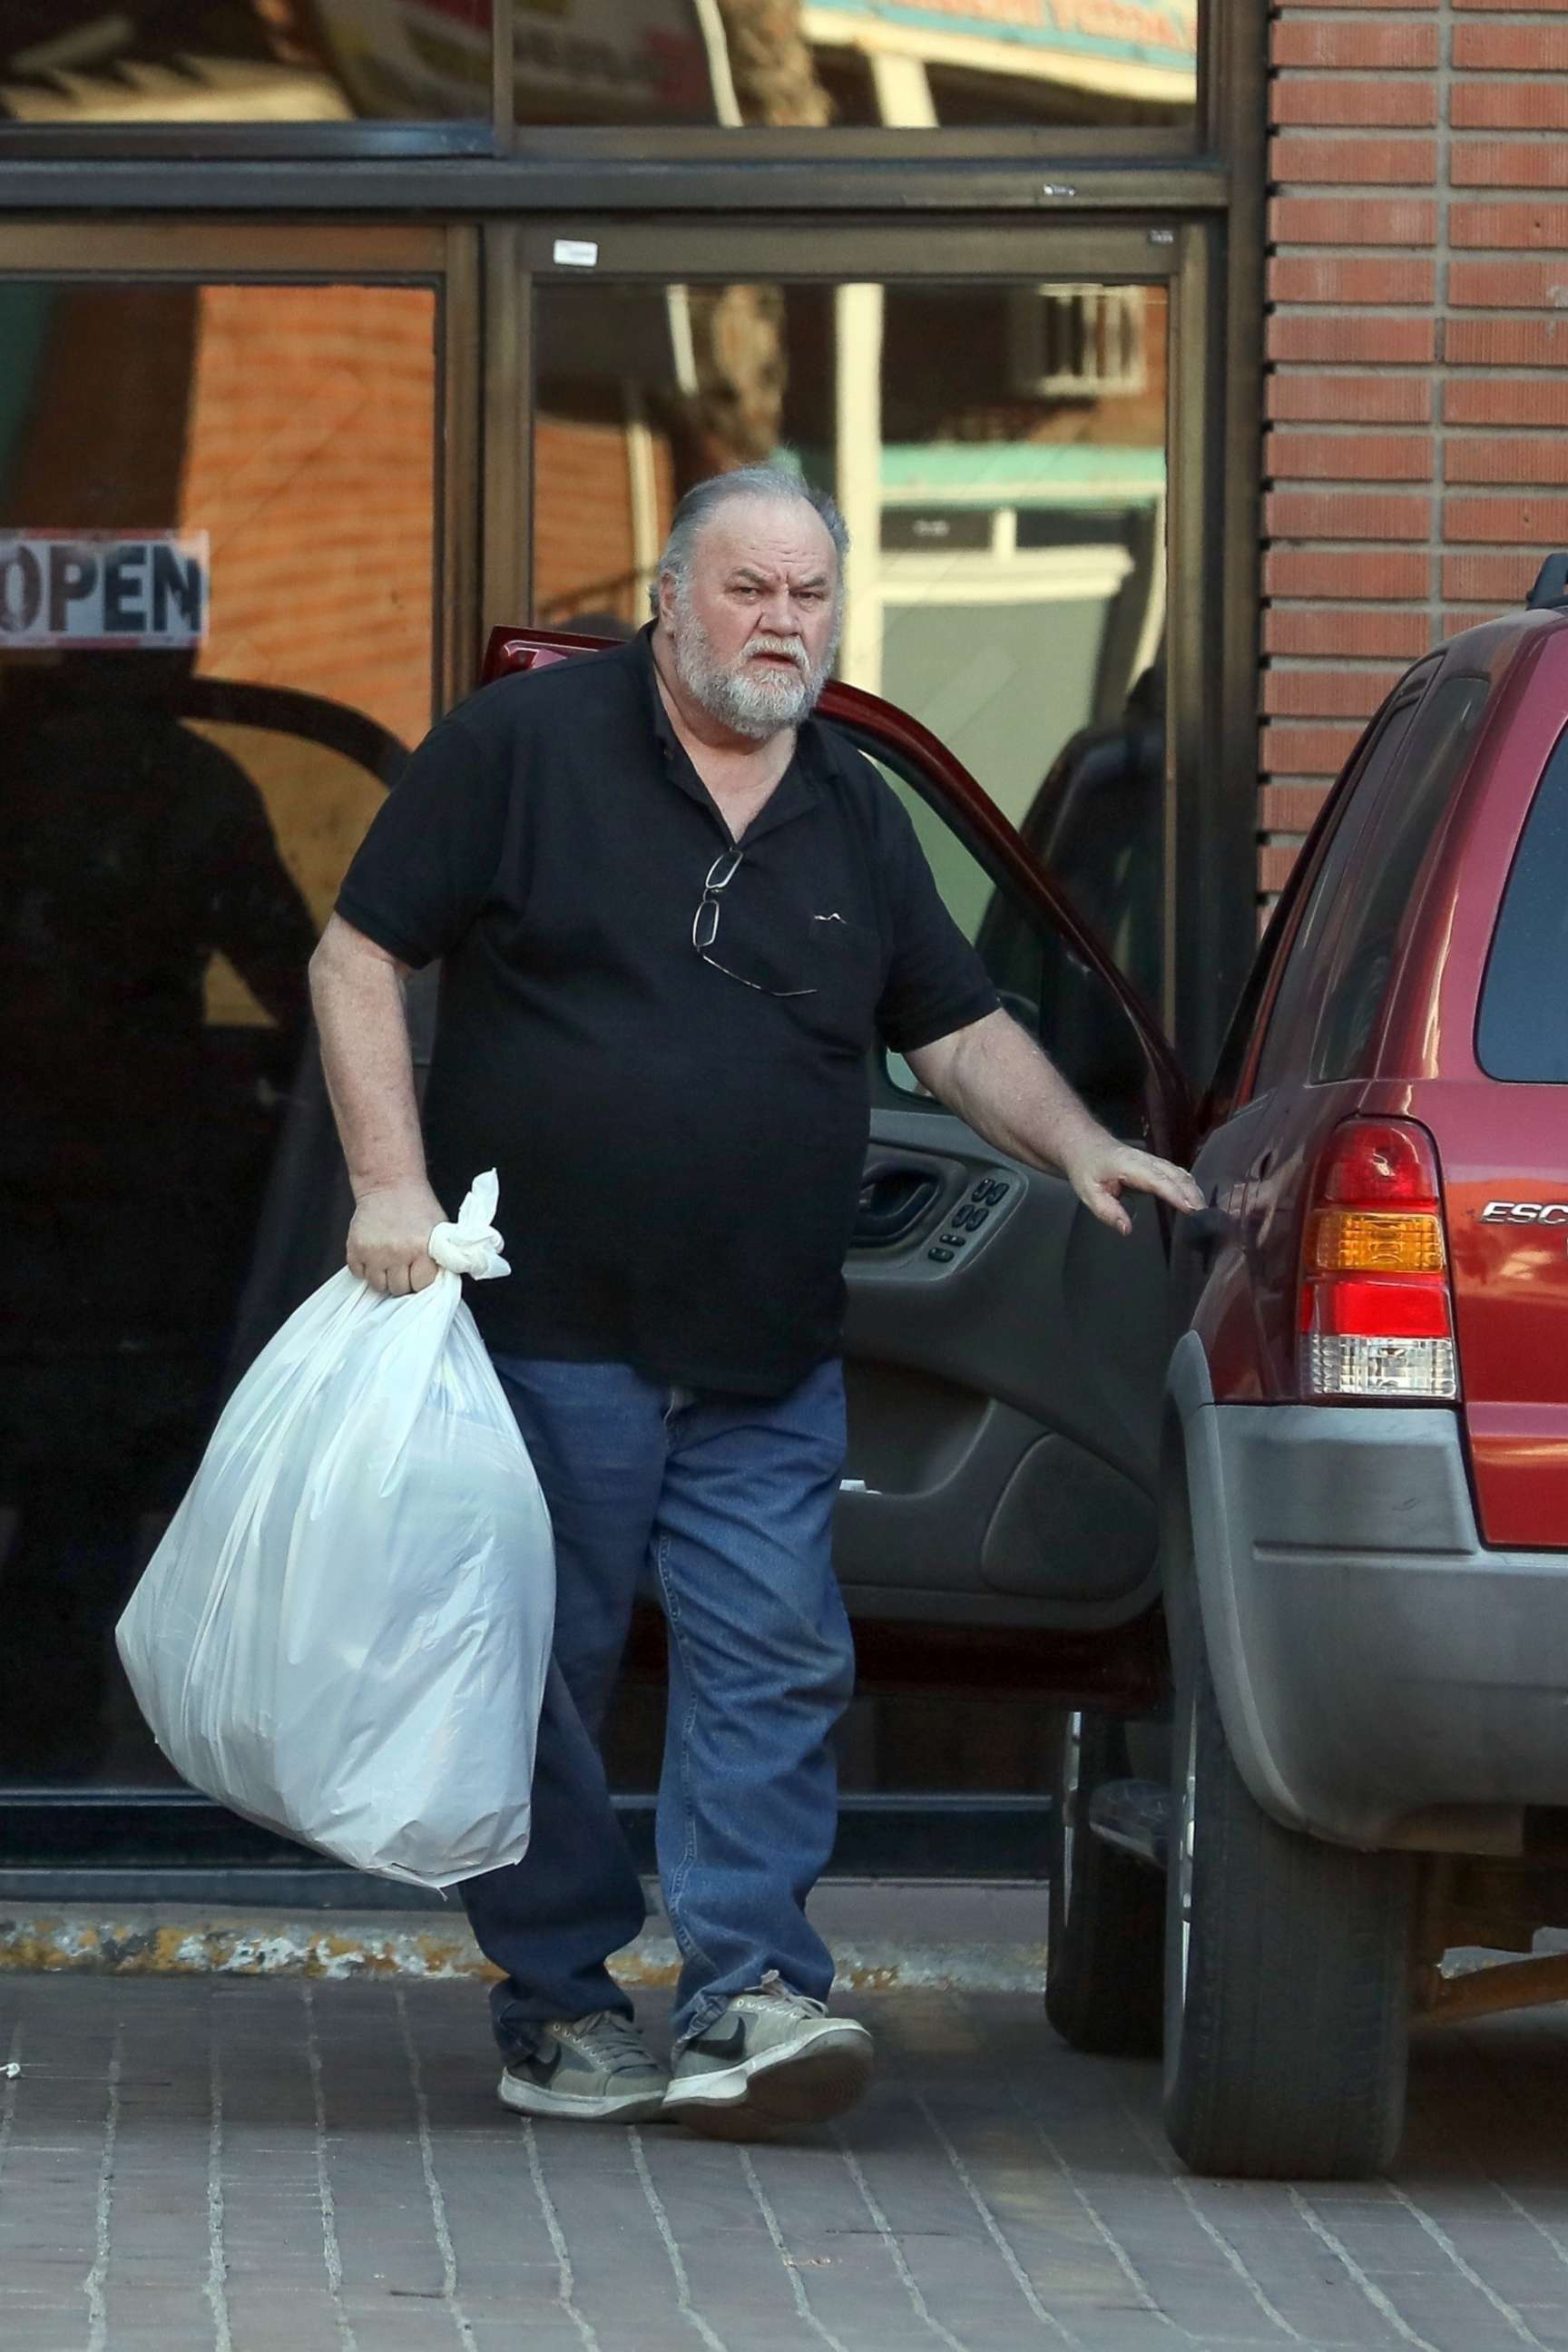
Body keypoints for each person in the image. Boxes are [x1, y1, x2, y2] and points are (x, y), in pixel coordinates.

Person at [309, 466, 1202, 2137]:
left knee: (777, 1660)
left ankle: (747, 1996)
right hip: (551, 1329)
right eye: (749, 590)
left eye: (808, 595)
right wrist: (387, 1186)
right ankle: (561, 2002)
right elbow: (358, 957)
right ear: (670, 598)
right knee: (542, 1678)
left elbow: (951, 1025)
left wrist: (1082, 1141)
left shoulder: (852, 802)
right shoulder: (525, 751)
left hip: (767, 1344)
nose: (782, 623)